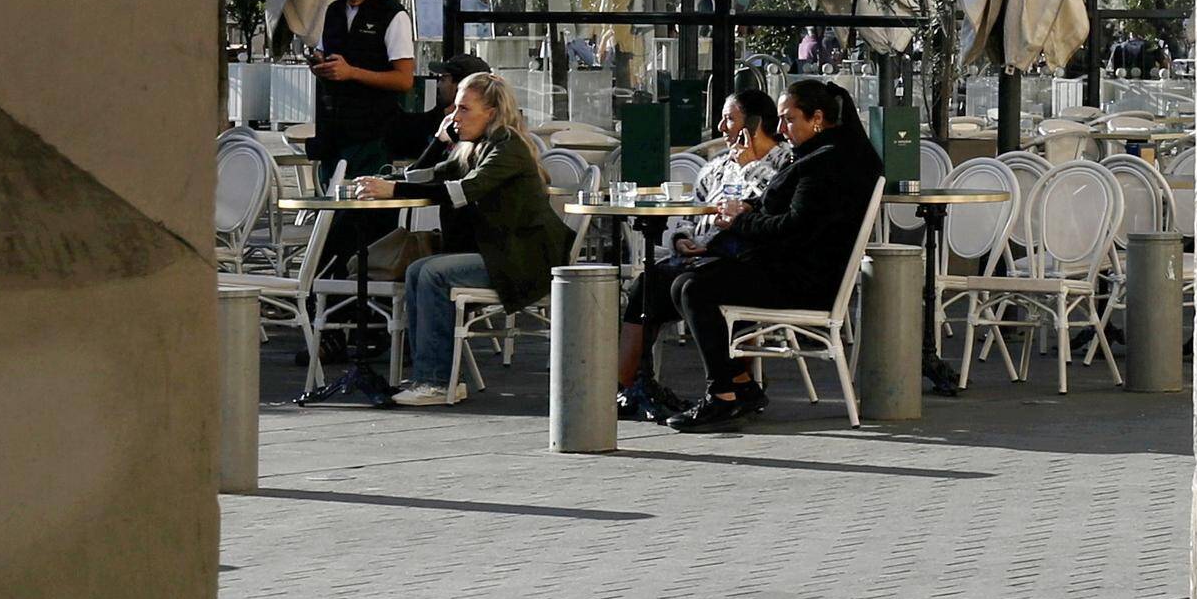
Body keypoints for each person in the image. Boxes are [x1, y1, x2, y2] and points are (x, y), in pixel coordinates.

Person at [632, 76, 881, 431]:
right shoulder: (824, 154)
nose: (781, 129)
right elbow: (781, 208)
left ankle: (722, 396)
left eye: (789, 119)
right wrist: (749, 209)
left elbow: (793, 226)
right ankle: (739, 385)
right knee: (684, 282)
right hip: (791, 269)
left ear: (817, 118)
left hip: (804, 280)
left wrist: (740, 221)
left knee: (693, 288)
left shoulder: (825, 163)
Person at [355, 69, 574, 410]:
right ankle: (432, 377)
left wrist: (394, 190)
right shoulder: (471, 146)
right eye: (455, 107)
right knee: (417, 269)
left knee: (432, 273)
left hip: (522, 260)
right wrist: (440, 141)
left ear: (491, 112)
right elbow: (422, 176)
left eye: (464, 109)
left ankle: (437, 381)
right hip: (496, 253)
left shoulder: (508, 146)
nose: (454, 116)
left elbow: (463, 191)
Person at [610, 86, 784, 409]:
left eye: (729, 119)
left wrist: (748, 165)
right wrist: (681, 238)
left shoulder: (782, 165)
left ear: (754, 125)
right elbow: (692, 212)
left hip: (745, 261)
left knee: (695, 287)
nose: (721, 127)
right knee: (645, 287)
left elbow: (762, 208)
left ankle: (736, 382)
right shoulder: (719, 165)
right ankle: (626, 386)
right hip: (700, 255)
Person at [303, 0, 421, 398]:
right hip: (336, 133)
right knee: (333, 230)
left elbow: (404, 79)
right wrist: (323, 67)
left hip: (373, 135)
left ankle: (366, 325)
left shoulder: (393, 16)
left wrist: (352, 73)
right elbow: (331, 58)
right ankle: (332, 325)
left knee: (363, 231)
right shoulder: (334, 13)